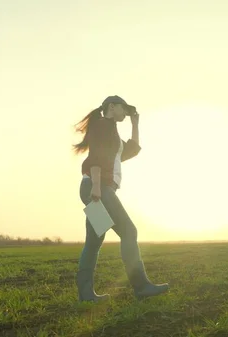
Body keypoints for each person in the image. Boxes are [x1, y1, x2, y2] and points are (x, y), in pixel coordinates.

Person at [72, 95, 169, 302]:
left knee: (94, 240)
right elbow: (96, 156)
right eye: (123, 109)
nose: (125, 112)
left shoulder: (112, 134)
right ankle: (141, 286)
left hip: (96, 187)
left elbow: (131, 150)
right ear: (112, 107)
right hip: (97, 187)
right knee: (128, 231)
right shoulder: (103, 126)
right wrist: (97, 188)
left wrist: (135, 123)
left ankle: (85, 294)